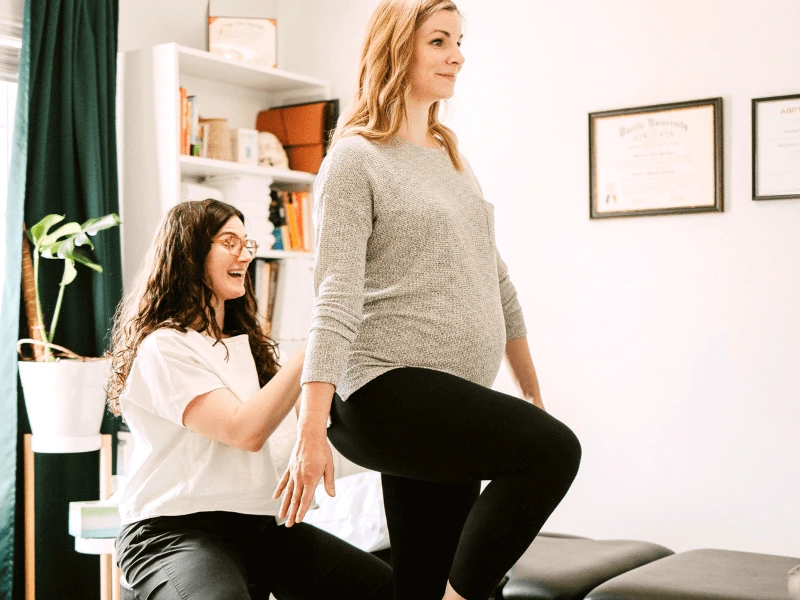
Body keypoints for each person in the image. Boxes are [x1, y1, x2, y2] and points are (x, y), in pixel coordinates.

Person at [273, 1, 583, 599]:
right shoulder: (353, 159)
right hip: (383, 391)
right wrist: (310, 428)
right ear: (396, 47)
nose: (458, 55)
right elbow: (335, 293)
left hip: (446, 398)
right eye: (439, 41)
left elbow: (497, 280)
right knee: (553, 453)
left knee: (420, 576)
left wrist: (531, 392)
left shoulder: (450, 156)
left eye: (459, 41)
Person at [106, 199, 393, 600]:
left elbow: (311, 416)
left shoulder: (251, 352)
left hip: (259, 527)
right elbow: (244, 430)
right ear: (189, 252)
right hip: (174, 531)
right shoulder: (163, 348)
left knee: (387, 590)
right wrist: (321, 333)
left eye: (247, 244)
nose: (244, 254)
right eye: (229, 242)